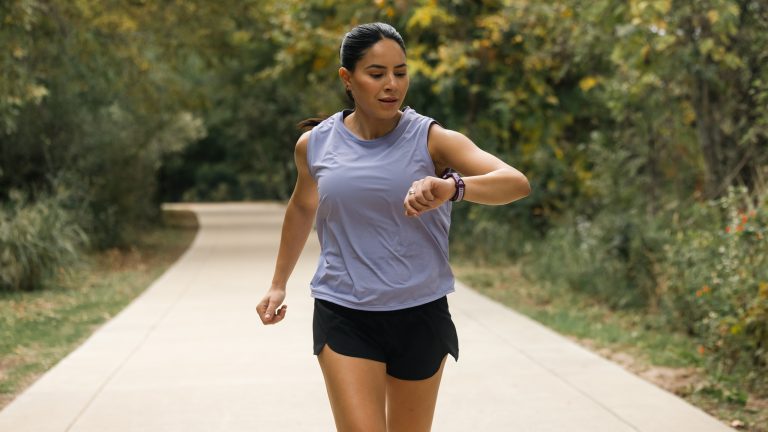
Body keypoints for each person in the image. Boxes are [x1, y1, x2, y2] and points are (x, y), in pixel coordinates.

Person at [256, 22, 531, 432]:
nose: (392, 84)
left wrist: (452, 187)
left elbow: (515, 182)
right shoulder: (315, 144)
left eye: (400, 73)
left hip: (420, 312)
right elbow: (301, 207)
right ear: (347, 78)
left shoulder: (431, 139)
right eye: (377, 73)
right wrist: (278, 283)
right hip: (344, 311)